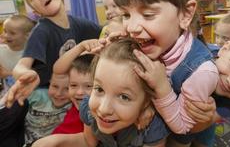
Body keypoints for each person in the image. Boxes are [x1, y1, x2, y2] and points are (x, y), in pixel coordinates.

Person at [111, 0, 216, 147]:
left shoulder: (201, 71)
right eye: (126, 14)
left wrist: (161, 88)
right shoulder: (145, 40)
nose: (132, 27)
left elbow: (183, 127)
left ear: (185, 14)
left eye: (148, 14)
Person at [134, 30, 230, 146]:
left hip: (197, 120)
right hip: (171, 96)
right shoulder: (196, 57)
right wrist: (147, 104)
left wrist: (205, 118)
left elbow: (191, 128)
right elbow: (153, 72)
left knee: (190, 139)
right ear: (224, 50)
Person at [31, 38, 168, 147]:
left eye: (124, 97)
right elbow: (88, 141)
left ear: (146, 102)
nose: (103, 109)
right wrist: (56, 141)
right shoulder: (88, 108)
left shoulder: (153, 125)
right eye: (99, 89)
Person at [5, 0, 101, 108]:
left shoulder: (79, 23)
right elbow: (20, 66)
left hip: (71, 92)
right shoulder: (42, 30)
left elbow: (104, 31)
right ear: (36, 12)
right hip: (46, 94)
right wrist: (25, 74)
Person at [0, 15, 35, 147]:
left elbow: (31, 76)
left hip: (26, 99)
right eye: (4, 31)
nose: (6, 35)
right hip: (6, 98)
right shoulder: (1, 51)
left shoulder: (31, 54)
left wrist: (6, 73)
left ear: (27, 36)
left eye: (12, 33)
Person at [52, 48, 95, 134]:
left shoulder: (96, 117)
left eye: (88, 86)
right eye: (73, 85)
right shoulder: (75, 107)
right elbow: (58, 69)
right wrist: (81, 46)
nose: (79, 92)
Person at [24, 73, 71, 146]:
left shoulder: (72, 107)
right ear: (49, 83)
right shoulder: (37, 95)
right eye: (55, 86)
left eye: (67, 89)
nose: (59, 93)